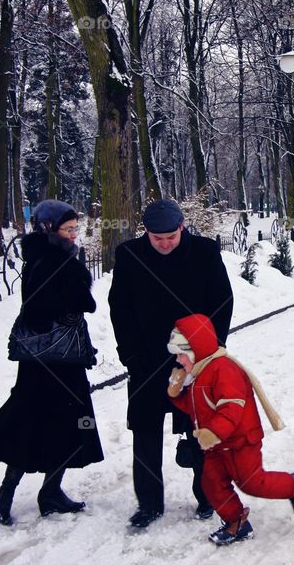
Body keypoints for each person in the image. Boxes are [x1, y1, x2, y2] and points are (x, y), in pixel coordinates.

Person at [0, 200, 104, 525]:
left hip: (48, 360)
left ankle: (36, 492)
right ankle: (19, 494)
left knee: (46, 421)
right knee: (48, 423)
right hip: (54, 361)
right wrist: (73, 288)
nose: (75, 235)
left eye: (76, 229)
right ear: (50, 229)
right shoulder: (54, 261)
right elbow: (73, 305)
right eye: (69, 229)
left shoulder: (45, 256)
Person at [108, 199, 234, 529]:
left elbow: (222, 301)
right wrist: (130, 355)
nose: (164, 244)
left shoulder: (204, 252)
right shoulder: (129, 255)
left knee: (199, 431)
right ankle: (148, 503)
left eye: (171, 237)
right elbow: (119, 309)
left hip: (194, 360)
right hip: (146, 360)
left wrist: (210, 351)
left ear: (182, 227)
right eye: (156, 238)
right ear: (145, 232)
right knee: (145, 432)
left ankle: (207, 496)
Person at [166, 314, 294, 546]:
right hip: (214, 445)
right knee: (211, 483)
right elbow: (193, 406)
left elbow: (232, 407)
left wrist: (213, 432)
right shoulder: (197, 374)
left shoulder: (224, 369)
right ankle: (236, 521)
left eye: (182, 353)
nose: (179, 360)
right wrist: (176, 393)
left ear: (197, 350)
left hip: (241, 441)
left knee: (252, 483)